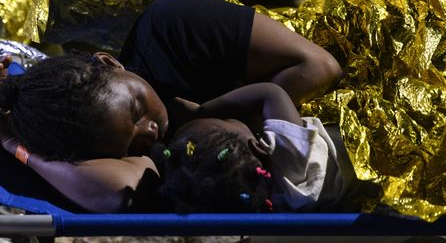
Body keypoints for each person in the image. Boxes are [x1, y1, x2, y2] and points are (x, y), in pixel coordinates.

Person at [0, 0, 342, 213]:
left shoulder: (172, 30)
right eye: (132, 143)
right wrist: (11, 143)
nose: (151, 130)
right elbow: (112, 193)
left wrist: (221, 123)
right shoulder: (136, 147)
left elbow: (320, 66)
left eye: (136, 108)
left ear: (109, 62)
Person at [149, 81, 372, 214]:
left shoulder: (270, 201)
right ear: (258, 146)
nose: (232, 119)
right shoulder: (290, 155)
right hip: (359, 143)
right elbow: (270, 93)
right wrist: (203, 111)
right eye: (226, 122)